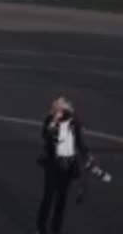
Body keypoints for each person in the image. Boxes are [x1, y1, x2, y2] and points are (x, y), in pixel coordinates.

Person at [36, 96, 87, 234]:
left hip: (65, 165)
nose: (56, 111)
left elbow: (80, 142)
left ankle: (54, 229)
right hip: (55, 165)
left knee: (60, 200)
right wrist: (54, 121)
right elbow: (46, 135)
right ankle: (42, 228)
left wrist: (86, 156)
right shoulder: (51, 120)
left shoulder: (74, 122)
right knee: (49, 198)